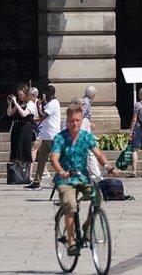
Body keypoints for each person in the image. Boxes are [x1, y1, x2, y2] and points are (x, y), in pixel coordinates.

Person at [50, 103, 119, 256]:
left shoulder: (86, 137)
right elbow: (54, 158)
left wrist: (109, 167)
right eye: (72, 120)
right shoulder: (60, 138)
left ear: (82, 120)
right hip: (65, 179)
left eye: (77, 120)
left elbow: (99, 154)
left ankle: (88, 231)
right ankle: (71, 241)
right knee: (71, 204)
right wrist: (60, 171)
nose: (74, 123)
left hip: (82, 177)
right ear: (67, 121)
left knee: (97, 197)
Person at [31, 85, 61, 190]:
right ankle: (36, 182)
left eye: (45, 94)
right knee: (41, 159)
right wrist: (43, 104)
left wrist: (39, 106)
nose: (44, 96)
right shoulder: (50, 103)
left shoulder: (53, 104)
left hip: (52, 136)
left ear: (49, 93)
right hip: (46, 135)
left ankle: (57, 179)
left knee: (56, 160)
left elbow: (42, 116)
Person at [7, 84, 37, 172]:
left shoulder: (30, 104)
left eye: (21, 95)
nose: (19, 96)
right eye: (18, 95)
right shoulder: (21, 103)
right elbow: (9, 113)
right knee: (16, 150)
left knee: (24, 150)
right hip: (17, 128)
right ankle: (18, 173)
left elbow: (24, 114)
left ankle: (27, 174)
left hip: (25, 128)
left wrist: (15, 103)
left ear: (26, 94)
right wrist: (10, 104)